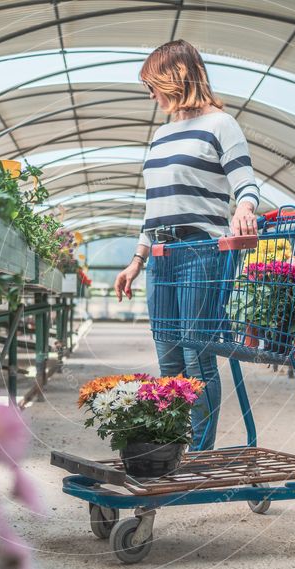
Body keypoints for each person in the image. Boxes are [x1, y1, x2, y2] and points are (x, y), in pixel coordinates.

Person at [113, 39, 260, 451]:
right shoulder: (161, 135)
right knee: (169, 359)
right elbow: (156, 206)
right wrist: (136, 260)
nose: (151, 94)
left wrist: (244, 209)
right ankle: (173, 447)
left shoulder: (221, 125)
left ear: (175, 78)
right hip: (160, 258)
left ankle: (198, 452)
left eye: (153, 84)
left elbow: (245, 183)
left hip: (201, 254)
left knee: (197, 357)